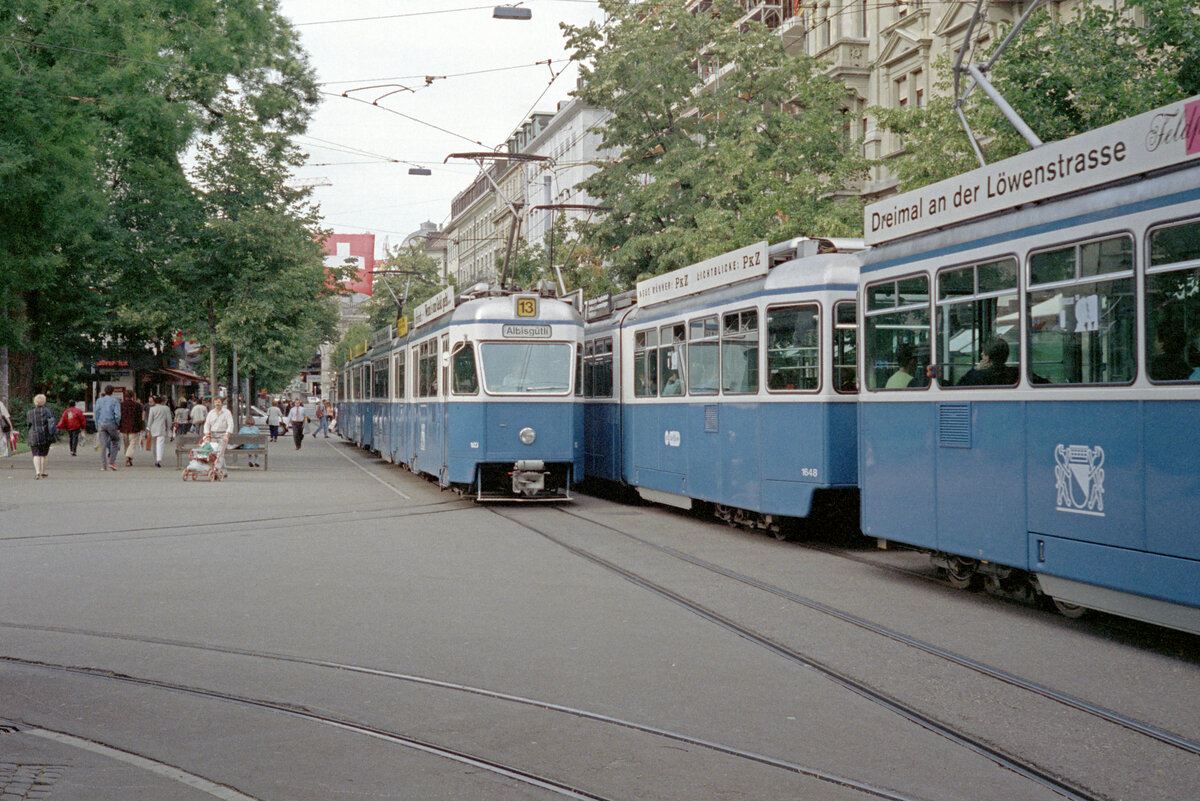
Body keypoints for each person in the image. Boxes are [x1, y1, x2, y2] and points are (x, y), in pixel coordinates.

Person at [202, 396, 234, 478]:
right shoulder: (211, 413)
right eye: (216, 402)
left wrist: (227, 434)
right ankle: (224, 471)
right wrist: (207, 434)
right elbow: (207, 424)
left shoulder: (227, 413)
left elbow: (230, 424)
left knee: (220, 453)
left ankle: (215, 470)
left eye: (219, 402)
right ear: (213, 404)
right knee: (214, 453)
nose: (217, 403)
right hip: (213, 435)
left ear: (222, 403)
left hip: (223, 435)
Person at [26, 394, 56, 479]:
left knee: (35, 454)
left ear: (35, 402)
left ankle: (37, 472)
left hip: (33, 435)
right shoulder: (47, 411)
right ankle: (43, 471)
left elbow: (28, 424)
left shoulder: (30, 412)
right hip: (45, 435)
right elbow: (51, 421)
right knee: (43, 455)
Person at [93, 385, 122, 470]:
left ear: (105, 392)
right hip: (111, 423)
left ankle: (103, 466)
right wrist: (117, 424)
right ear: (113, 392)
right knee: (115, 441)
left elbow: (96, 414)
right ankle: (112, 462)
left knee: (103, 445)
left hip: (101, 424)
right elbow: (117, 415)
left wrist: (97, 425)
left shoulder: (99, 400)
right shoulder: (115, 401)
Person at [145, 395, 172, 468]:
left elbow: (150, 420)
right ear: (162, 401)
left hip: (153, 428)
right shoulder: (165, 409)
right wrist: (169, 428)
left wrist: (148, 428)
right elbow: (169, 419)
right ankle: (158, 459)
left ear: (155, 402)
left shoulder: (152, 409)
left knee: (154, 444)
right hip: (161, 428)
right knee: (160, 444)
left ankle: (156, 457)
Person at [118, 392, 145, 467]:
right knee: (132, 444)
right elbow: (139, 418)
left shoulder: (121, 405)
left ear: (125, 396)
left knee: (126, 444)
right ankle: (128, 457)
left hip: (123, 427)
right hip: (134, 427)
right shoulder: (137, 405)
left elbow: (119, 416)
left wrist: (118, 427)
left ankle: (127, 457)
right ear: (133, 396)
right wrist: (141, 427)